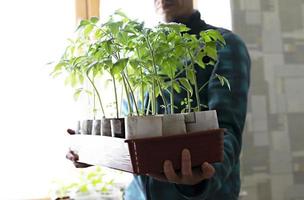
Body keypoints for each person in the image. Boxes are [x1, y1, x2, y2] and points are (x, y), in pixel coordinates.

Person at [67, 0, 251, 199]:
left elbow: (226, 131)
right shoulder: (139, 53)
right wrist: (95, 151)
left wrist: (201, 179)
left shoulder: (223, 45)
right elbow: (132, 132)